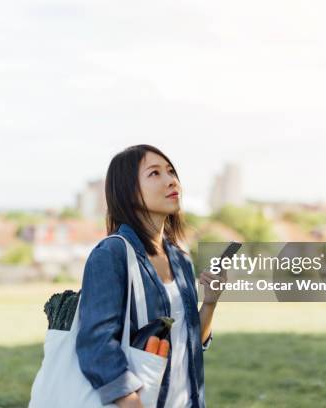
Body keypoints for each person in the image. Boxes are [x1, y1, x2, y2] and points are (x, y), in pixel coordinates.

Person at [76, 144, 225, 408]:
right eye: (154, 174)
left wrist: (210, 303)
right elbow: (96, 345)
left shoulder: (179, 256)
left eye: (170, 171)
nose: (171, 181)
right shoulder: (112, 254)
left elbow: (191, 343)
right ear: (128, 191)